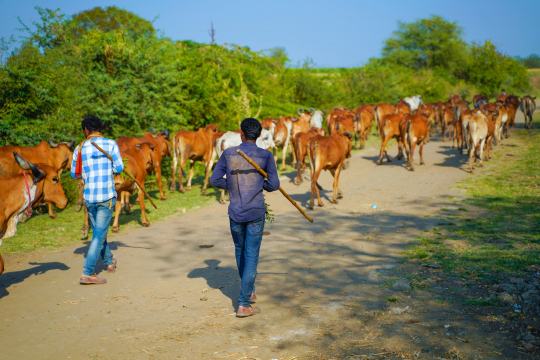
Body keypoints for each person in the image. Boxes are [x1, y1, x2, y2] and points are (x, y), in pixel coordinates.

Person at [210, 118, 280, 317]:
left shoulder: (229, 154)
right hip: (255, 213)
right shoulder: (265, 155)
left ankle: (248, 291)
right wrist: (259, 186)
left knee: (241, 251)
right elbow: (274, 185)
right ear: (258, 135)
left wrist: (231, 186)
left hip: (236, 213)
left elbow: (214, 180)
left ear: (241, 134)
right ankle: (243, 303)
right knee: (251, 256)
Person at [71, 115, 124, 285]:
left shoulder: (80, 148)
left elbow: (74, 173)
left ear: (86, 130)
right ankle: (87, 272)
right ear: (100, 129)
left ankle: (109, 262)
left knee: (99, 233)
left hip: (90, 199)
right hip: (107, 197)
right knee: (99, 235)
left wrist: (88, 172)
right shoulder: (111, 144)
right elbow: (119, 168)